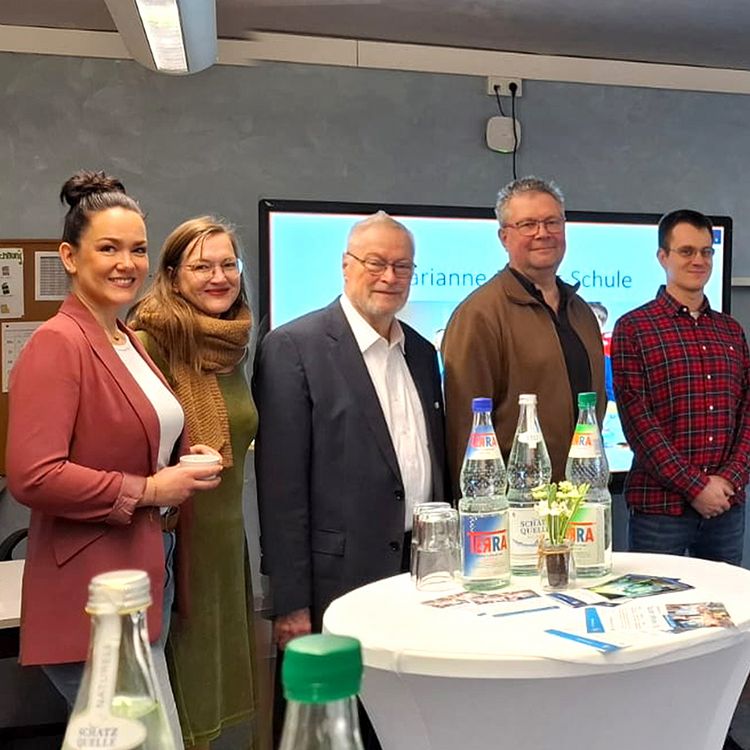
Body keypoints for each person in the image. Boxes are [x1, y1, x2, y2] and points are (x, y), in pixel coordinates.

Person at [5, 171, 221, 737]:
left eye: (138, 249)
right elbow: (33, 475)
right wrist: (149, 489)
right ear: (69, 257)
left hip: (145, 571)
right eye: (108, 248)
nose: (127, 263)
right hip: (93, 593)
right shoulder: (58, 343)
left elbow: (132, 438)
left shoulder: (123, 339)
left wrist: (179, 462)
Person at [254, 211, 448, 746]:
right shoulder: (294, 347)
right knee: (330, 730)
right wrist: (291, 602)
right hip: (334, 582)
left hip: (417, 574)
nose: (389, 276)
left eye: (402, 266)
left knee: (404, 722)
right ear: (346, 265)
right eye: (376, 263)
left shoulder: (422, 352)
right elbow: (280, 488)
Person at [128, 216, 260, 749]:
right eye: (202, 266)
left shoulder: (232, 347)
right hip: (173, 542)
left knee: (213, 697)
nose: (219, 277)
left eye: (229, 264)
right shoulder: (147, 344)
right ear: (172, 276)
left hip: (225, 542)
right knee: (175, 698)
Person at [441, 176, 605, 492]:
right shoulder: (479, 315)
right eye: (528, 224)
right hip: (516, 505)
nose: (543, 233)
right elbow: (464, 431)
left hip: (581, 499)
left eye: (552, 222)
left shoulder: (581, 312)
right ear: (504, 237)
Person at [611, 209, 750, 564]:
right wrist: (697, 486)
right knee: (654, 598)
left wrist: (729, 480)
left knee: (728, 600)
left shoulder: (731, 331)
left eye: (706, 252)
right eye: (686, 251)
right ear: (663, 257)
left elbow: (746, 414)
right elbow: (639, 425)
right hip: (660, 511)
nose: (698, 260)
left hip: (726, 507)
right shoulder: (634, 328)